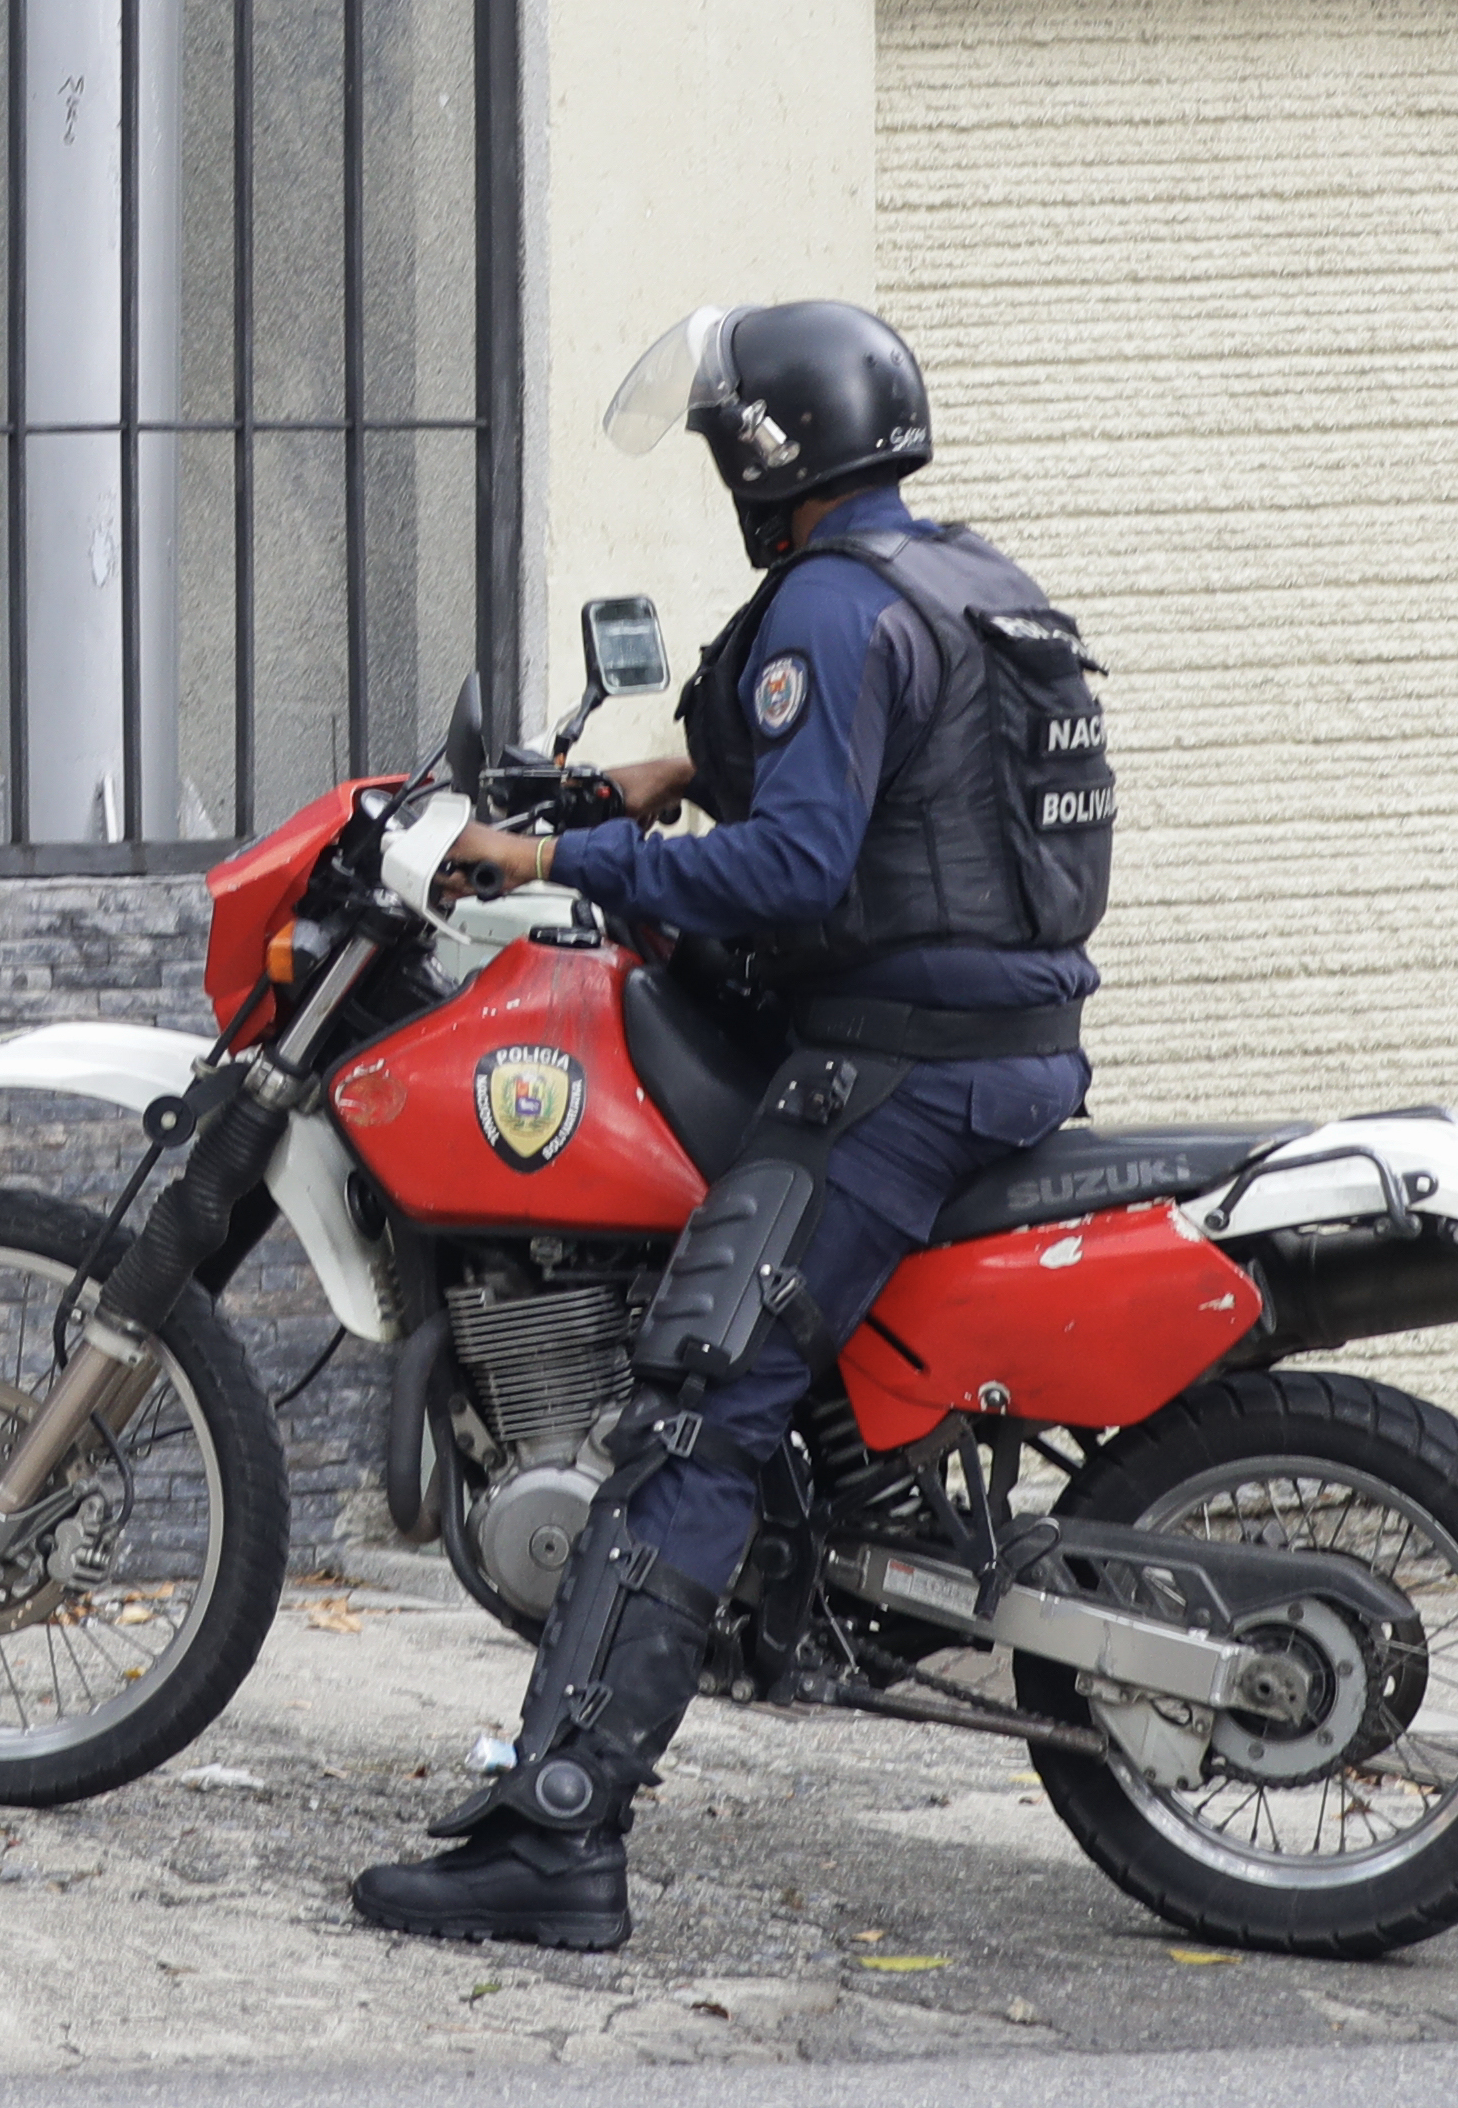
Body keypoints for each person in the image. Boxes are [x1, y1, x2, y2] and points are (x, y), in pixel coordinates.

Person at [351, 298, 1113, 1948]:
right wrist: (660, 774)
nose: (720, 479)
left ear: (772, 458)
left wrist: (557, 861)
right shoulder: (970, 581)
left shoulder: (829, 613)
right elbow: (901, 784)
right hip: (1003, 1039)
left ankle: (558, 1832)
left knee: (696, 1396)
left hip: (891, 1062)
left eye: (725, 451)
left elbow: (800, 868)